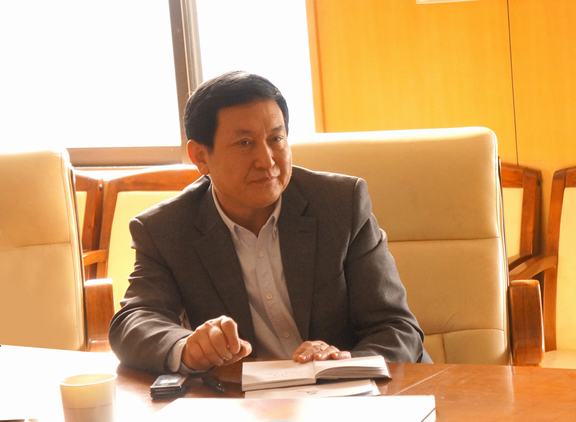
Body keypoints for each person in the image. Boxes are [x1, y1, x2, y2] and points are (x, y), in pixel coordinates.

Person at [109, 71, 426, 374]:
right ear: (200, 157)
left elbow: (396, 327)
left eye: (276, 138)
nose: (267, 160)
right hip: (250, 400)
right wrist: (187, 347)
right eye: (245, 143)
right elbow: (134, 321)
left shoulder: (341, 204)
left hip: (358, 395)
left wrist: (343, 365)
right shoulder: (166, 229)